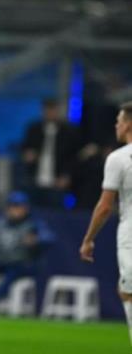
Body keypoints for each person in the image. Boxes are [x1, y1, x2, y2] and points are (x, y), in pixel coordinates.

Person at [80, 102, 132, 345]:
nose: (116, 125)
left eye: (119, 121)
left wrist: (88, 239)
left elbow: (104, 207)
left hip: (130, 235)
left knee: (128, 293)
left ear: (128, 125)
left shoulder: (119, 158)